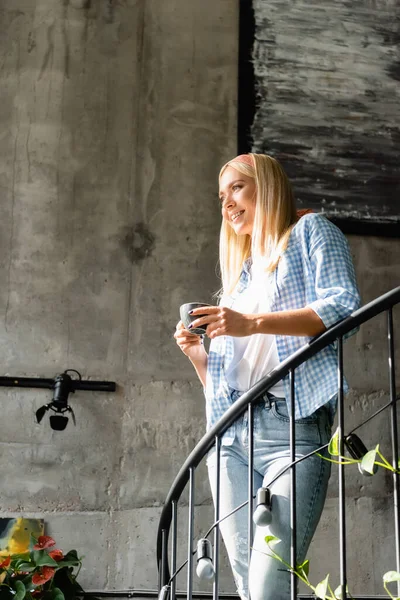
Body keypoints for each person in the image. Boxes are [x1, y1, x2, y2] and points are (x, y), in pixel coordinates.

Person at [174, 153, 360, 600]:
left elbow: (342, 305)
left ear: (268, 186)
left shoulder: (312, 232)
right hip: (232, 437)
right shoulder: (242, 277)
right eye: (222, 196)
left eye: (237, 188)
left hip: (292, 427)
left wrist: (251, 323)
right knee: (247, 584)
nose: (227, 203)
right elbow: (225, 386)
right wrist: (200, 356)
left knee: (268, 583)